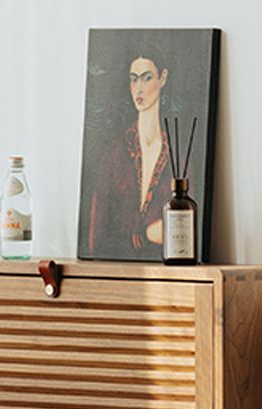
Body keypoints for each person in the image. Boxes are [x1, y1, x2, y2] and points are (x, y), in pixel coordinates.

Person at [84, 45, 176, 259]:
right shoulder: (113, 154)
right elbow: (96, 244)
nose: (139, 89)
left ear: (163, 78)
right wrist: (145, 236)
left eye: (146, 78)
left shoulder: (177, 156)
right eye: (133, 79)